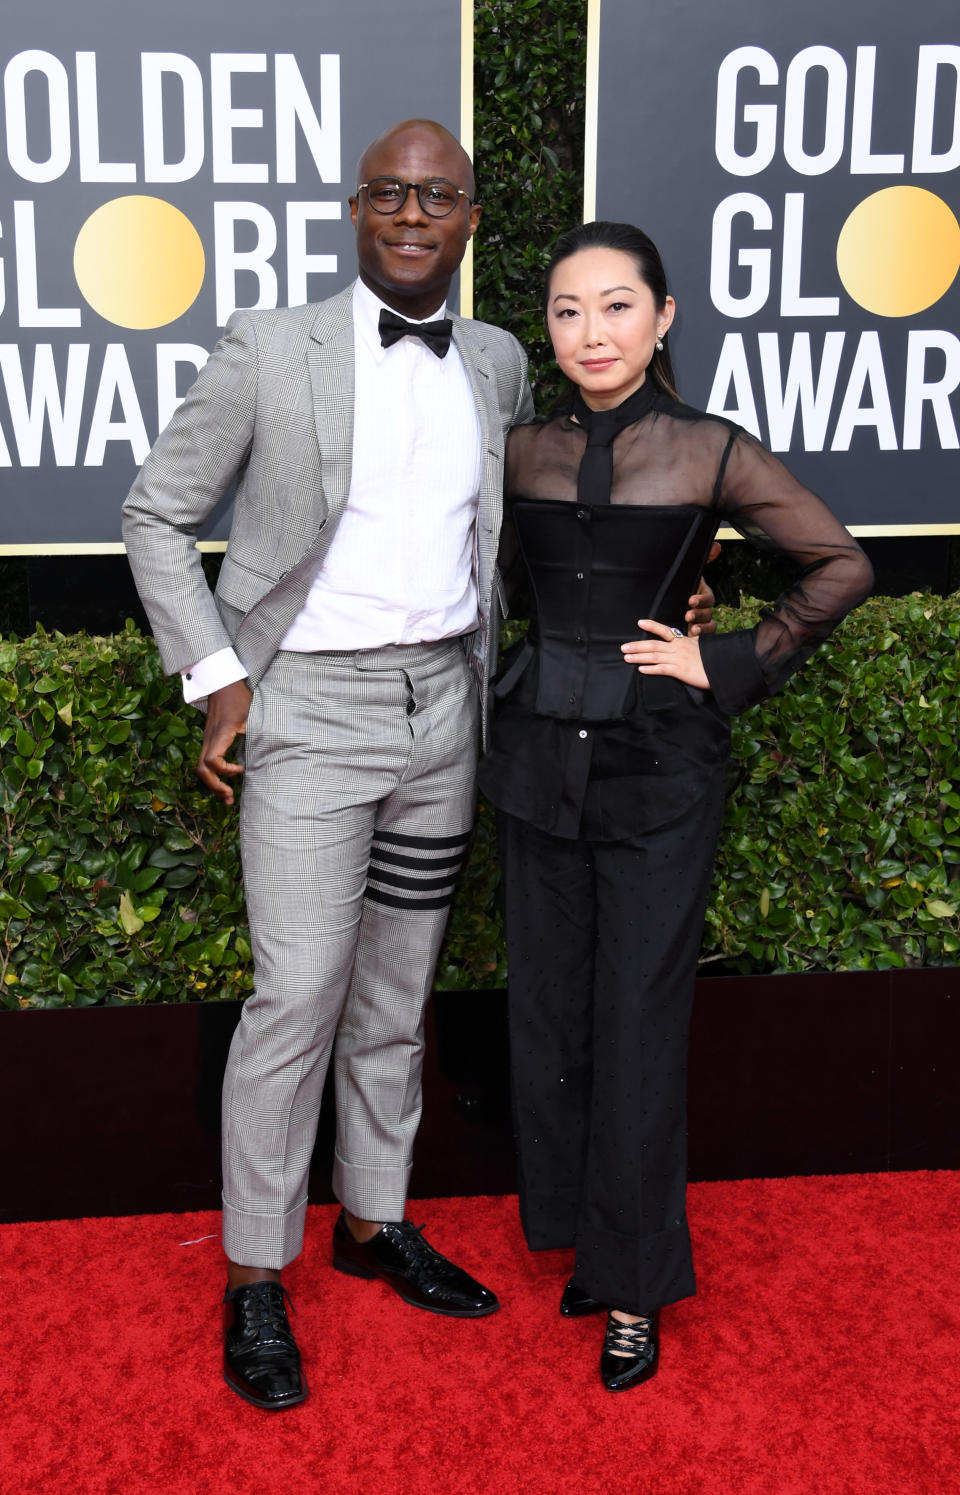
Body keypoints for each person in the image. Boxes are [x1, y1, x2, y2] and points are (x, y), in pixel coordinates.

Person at [123, 122, 719, 1411]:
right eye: (390, 193)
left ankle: (374, 1217)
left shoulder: (500, 360)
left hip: (447, 707)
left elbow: (574, 508)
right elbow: (156, 514)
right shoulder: (272, 347)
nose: (411, 213)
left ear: (468, 219)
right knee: (297, 997)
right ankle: (256, 1274)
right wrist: (215, 674)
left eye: (436, 196)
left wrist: (690, 589)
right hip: (310, 713)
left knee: (399, 992)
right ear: (355, 209)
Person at [477, 220, 874, 1392]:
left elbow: (839, 564)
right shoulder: (514, 449)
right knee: (552, 1015)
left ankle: (637, 1286)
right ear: (547, 332)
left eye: (614, 306)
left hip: (661, 765)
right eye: (565, 311)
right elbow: (492, 577)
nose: (589, 331)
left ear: (662, 319)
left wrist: (732, 656)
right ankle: (584, 1246)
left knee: (642, 1028)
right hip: (538, 755)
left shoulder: (709, 448)